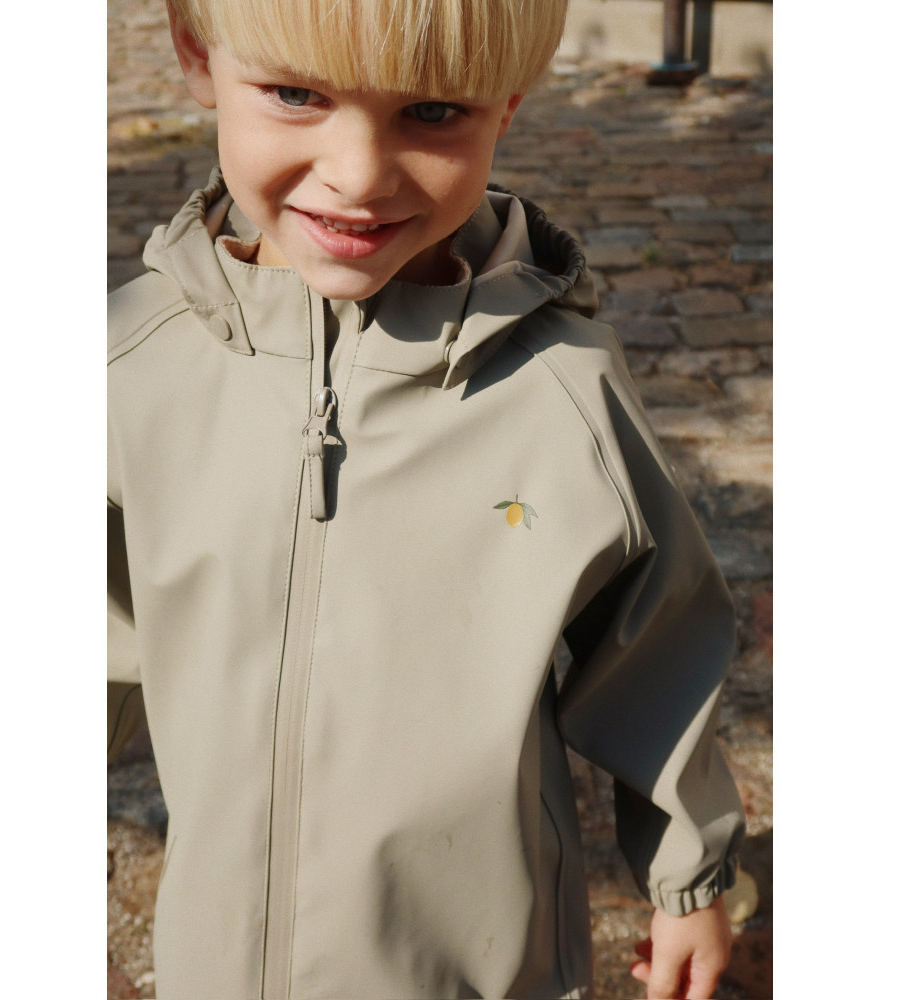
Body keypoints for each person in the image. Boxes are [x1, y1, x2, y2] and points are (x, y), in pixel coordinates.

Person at [107, 1, 746, 997]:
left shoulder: (559, 389)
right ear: (198, 54)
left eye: (434, 111)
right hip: (218, 963)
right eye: (294, 94)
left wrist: (688, 877)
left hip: (480, 967)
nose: (359, 174)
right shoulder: (130, 365)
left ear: (508, 103)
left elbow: (654, 646)